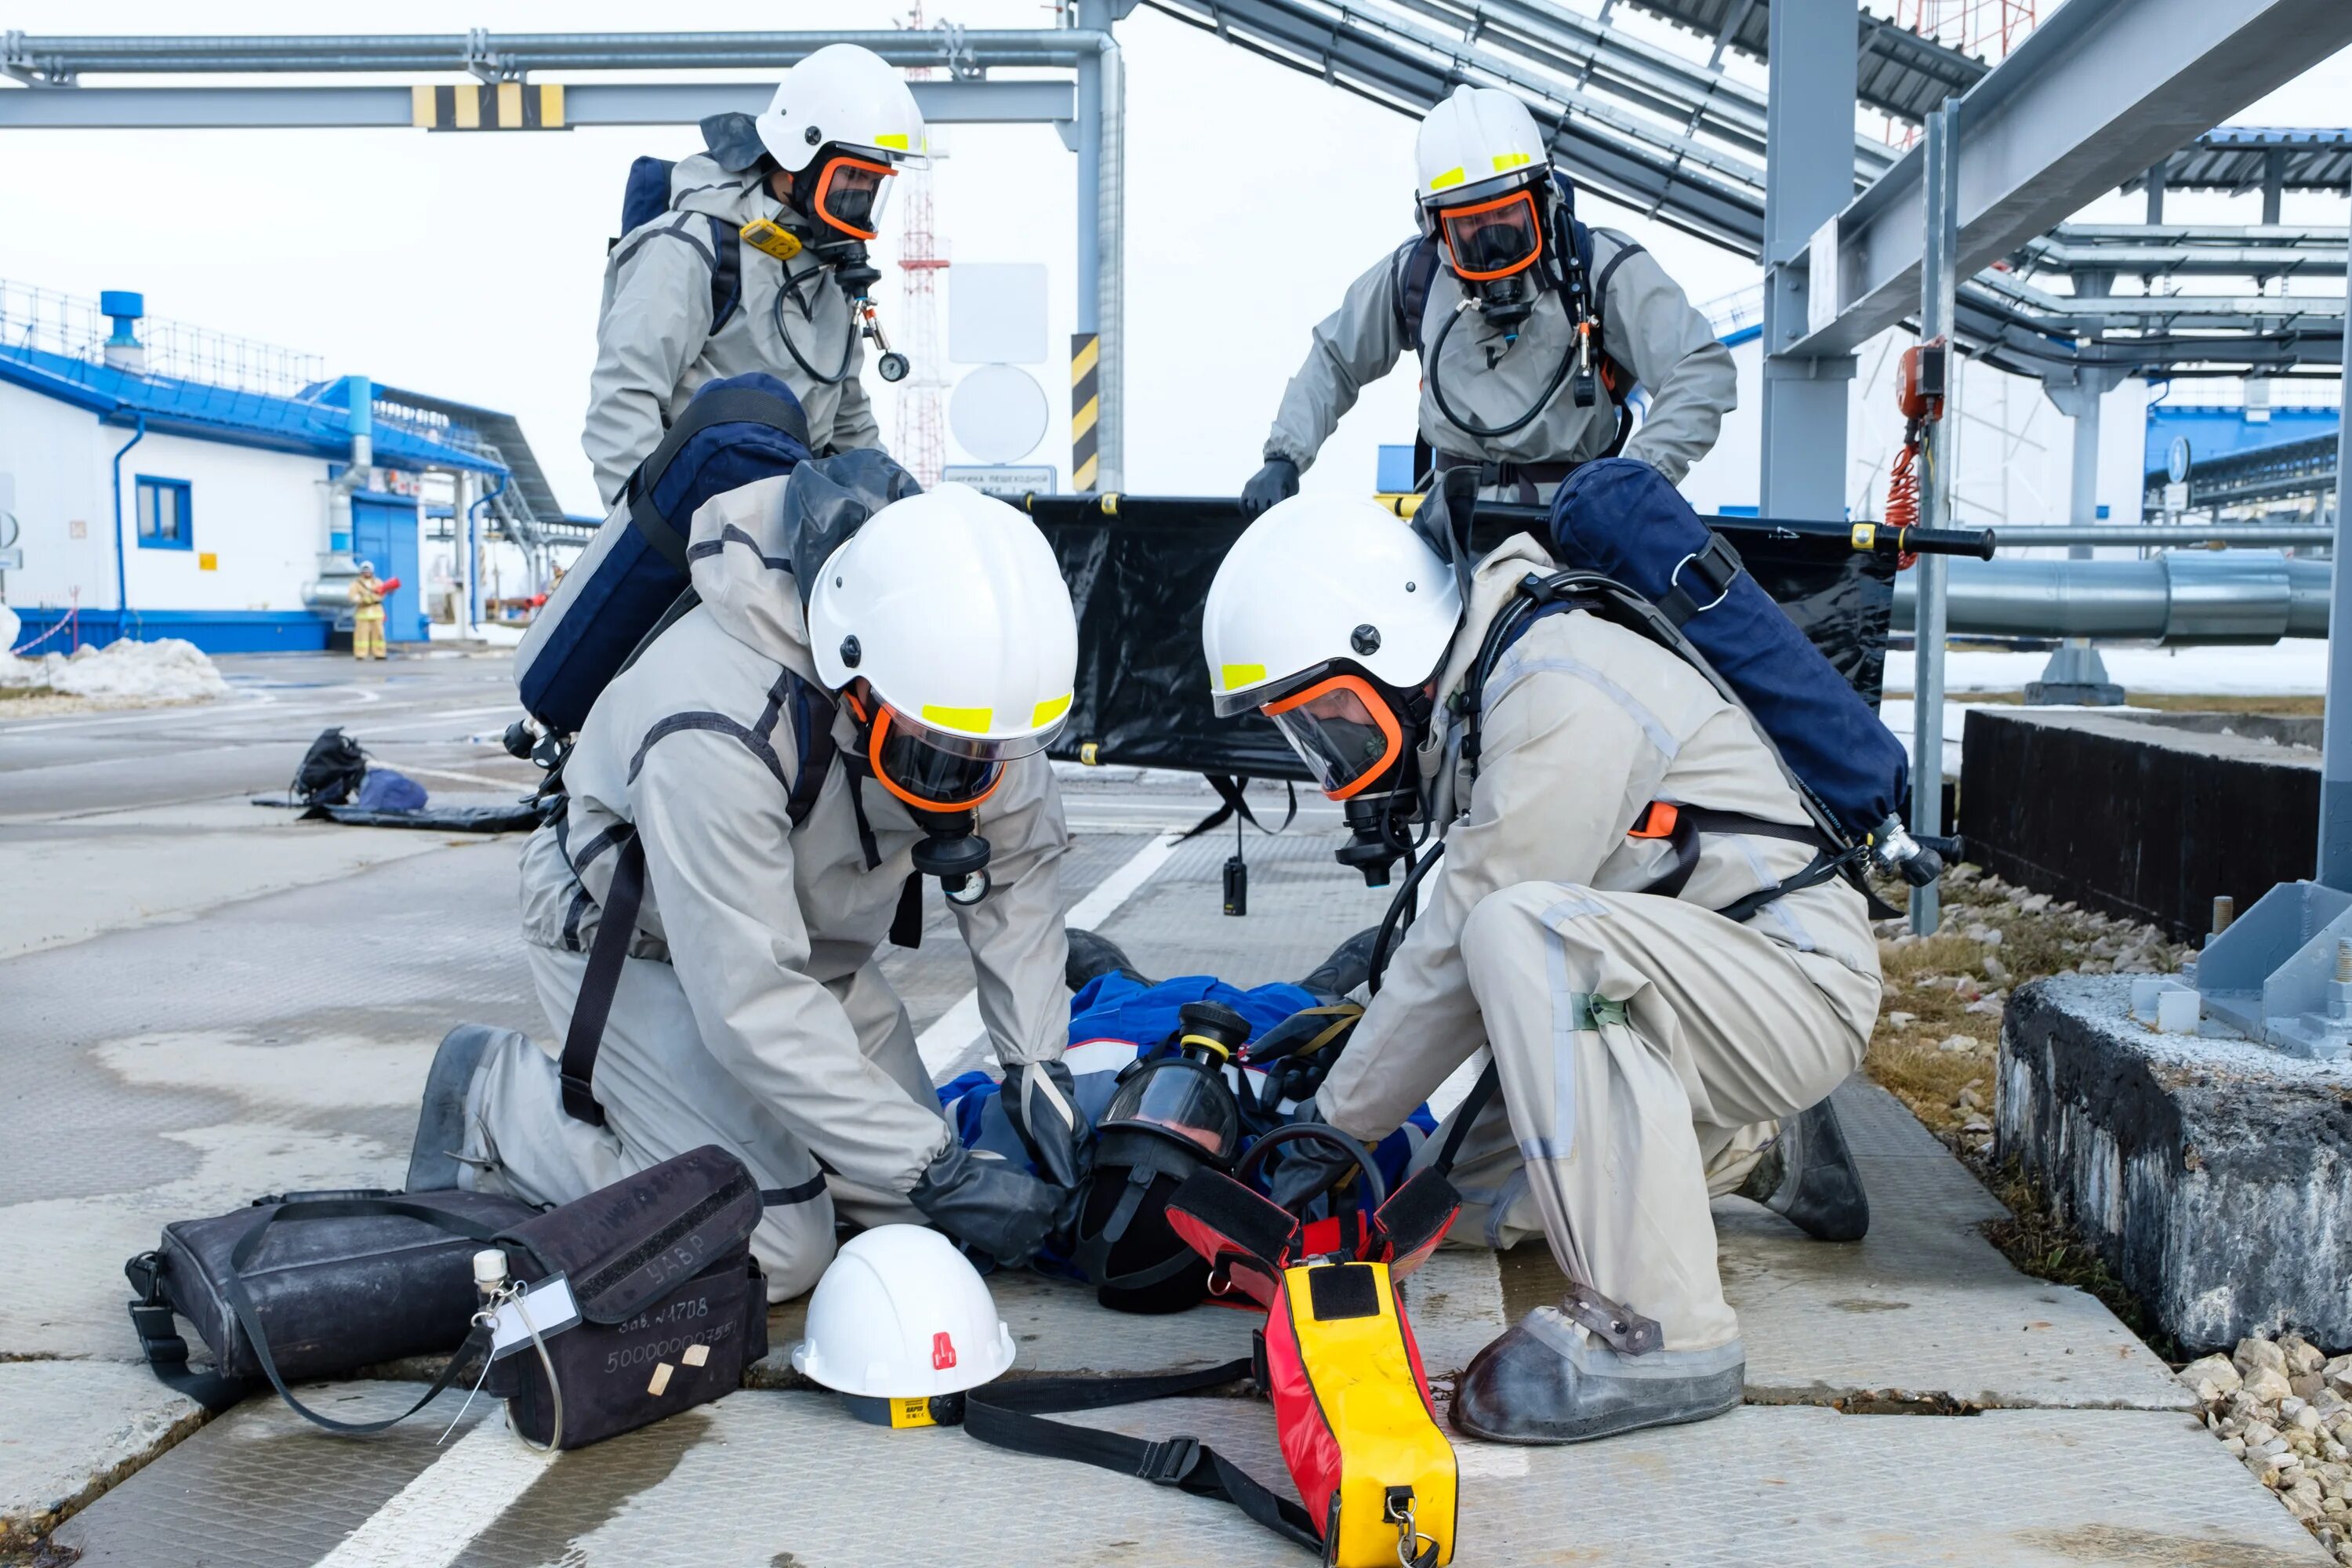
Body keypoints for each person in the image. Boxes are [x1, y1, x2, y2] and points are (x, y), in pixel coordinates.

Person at [1199, 494, 1881, 1444]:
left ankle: (1663, 1331)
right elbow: (1455, 931)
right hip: (1692, 994)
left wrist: (1327, 1127)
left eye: (1334, 723)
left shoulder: (1558, 682)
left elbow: (1481, 919)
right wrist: (1347, 1056)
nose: (1335, 765)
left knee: (1523, 928)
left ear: (1388, 642)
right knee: (1441, 1206)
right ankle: (1753, 1149)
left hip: (1792, 981)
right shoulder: (1496, 690)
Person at [407, 470, 1091, 1299]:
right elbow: (752, 1000)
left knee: (912, 1222)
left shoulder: (977, 696)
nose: (969, 772)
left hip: (800, 944)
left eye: (988, 750)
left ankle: (747, 1139)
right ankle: (494, 1100)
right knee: (775, 1240)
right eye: (938, 746)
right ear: (854, 672)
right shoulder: (717, 716)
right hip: (638, 936)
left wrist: (1035, 1067)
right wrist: (936, 1165)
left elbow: (1015, 871)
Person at [1240, 85, 1734, 512]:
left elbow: (1700, 369)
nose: (1492, 245)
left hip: (1575, 523)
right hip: (1448, 520)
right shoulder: (1416, 274)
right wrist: (1284, 456)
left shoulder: (1600, 268)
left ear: (1542, 201)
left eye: (1507, 218)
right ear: (1436, 227)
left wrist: (1637, 481)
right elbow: (1336, 357)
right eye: (1469, 226)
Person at [583, 43, 925, 506]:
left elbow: (847, 425)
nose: (862, 195)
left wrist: (904, 517)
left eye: (874, 182)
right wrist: (652, 537)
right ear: (795, 160)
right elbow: (624, 398)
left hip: (789, 535)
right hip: (698, 526)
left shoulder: (828, 273)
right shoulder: (692, 246)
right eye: (852, 176)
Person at [350, 561, 387, 661]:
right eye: (364, 571)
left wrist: (372, 599)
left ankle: (380, 653)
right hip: (362, 613)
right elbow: (352, 596)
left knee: (379, 635)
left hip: (376, 612)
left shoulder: (378, 582)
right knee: (361, 636)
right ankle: (360, 654)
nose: (366, 573)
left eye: (368, 571)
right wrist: (362, 600)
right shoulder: (356, 584)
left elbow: (382, 594)